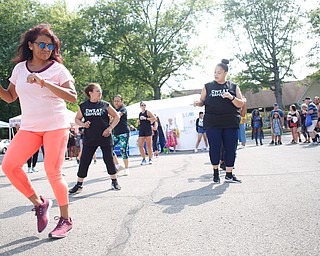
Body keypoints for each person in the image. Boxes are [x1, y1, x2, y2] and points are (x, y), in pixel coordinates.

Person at [0, 24, 77, 238]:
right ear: (31, 45)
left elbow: (72, 97)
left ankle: (65, 219)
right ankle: (40, 203)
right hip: (30, 127)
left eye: (50, 46)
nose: (46, 49)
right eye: (41, 44)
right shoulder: (19, 69)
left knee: (53, 171)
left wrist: (44, 82)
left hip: (56, 125)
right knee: (9, 166)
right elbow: (10, 96)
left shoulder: (57, 69)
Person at [193, 59, 244, 183]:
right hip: (212, 122)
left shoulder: (233, 86)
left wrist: (231, 97)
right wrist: (198, 103)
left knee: (231, 148)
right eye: (215, 72)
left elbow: (241, 103)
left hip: (230, 122)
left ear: (225, 73)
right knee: (215, 147)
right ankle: (215, 172)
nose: (216, 74)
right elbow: (202, 101)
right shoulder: (208, 86)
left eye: (219, 72)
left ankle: (229, 173)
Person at [69, 83, 121, 194]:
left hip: (105, 137)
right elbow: (77, 119)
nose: (100, 93)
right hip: (90, 138)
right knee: (84, 161)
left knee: (109, 159)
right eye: (97, 90)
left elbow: (117, 116)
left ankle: (114, 181)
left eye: (100, 90)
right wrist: (83, 125)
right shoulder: (83, 106)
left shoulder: (105, 105)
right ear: (90, 93)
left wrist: (110, 128)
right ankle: (79, 184)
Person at [112, 94, 130, 176]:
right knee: (109, 148)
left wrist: (111, 115)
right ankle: (118, 165)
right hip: (115, 133)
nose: (116, 102)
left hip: (124, 133)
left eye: (118, 101)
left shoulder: (123, 109)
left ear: (121, 102)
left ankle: (127, 168)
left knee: (123, 150)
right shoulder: (113, 109)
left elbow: (118, 114)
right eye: (115, 101)